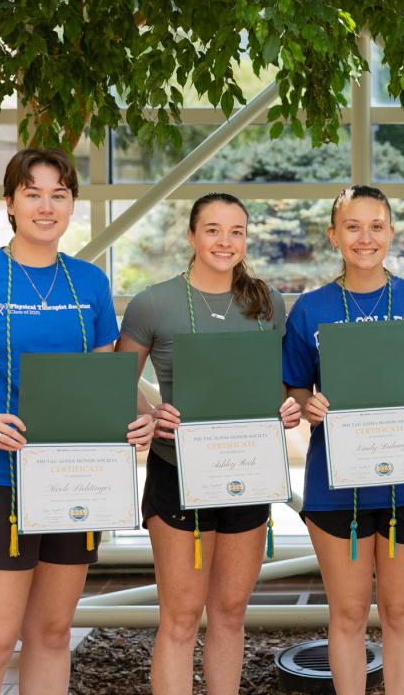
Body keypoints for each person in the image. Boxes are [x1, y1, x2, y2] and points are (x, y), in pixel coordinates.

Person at [0, 148, 153, 695]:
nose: (47, 206)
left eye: (59, 195)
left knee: (52, 632)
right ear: (10, 204)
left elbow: (104, 371)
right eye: (33, 193)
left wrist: (138, 415)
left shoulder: (88, 283)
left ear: (72, 206)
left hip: (72, 478)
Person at [116, 192, 301, 695]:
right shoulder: (153, 303)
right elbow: (116, 380)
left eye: (237, 231)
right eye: (214, 230)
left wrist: (286, 405)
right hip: (176, 473)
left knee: (230, 613)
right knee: (179, 617)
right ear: (193, 236)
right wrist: (149, 415)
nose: (226, 241)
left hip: (247, 471)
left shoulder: (267, 301)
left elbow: (277, 384)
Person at [284, 185, 404, 695]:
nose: (365, 237)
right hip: (336, 485)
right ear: (334, 236)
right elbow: (295, 387)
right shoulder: (309, 310)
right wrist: (306, 404)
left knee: (401, 611)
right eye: (352, 227)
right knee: (348, 613)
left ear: (392, 233)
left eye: (376, 226)